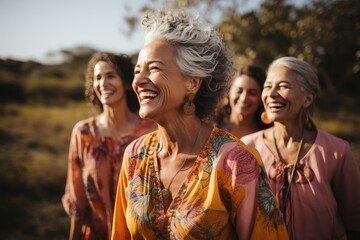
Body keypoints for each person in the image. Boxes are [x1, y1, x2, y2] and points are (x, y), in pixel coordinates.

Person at [111, 9, 288, 239]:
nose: (139, 80)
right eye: (137, 70)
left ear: (192, 84)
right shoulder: (135, 156)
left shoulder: (236, 163)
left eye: (153, 68)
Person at [241, 56, 360, 240]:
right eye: (267, 86)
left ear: (308, 98)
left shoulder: (337, 152)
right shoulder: (246, 148)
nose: (271, 93)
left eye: (283, 86)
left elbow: (354, 224)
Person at [61, 52, 156, 240]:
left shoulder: (151, 131)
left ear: (128, 83)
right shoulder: (84, 133)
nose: (103, 83)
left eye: (110, 76)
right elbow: (78, 202)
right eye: (97, 78)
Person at [217, 65, 271, 138]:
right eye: (239, 91)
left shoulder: (267, 134)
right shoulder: (211, 123)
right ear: (229, 92)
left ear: (262, 97)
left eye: (252, 93)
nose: (244, 98)